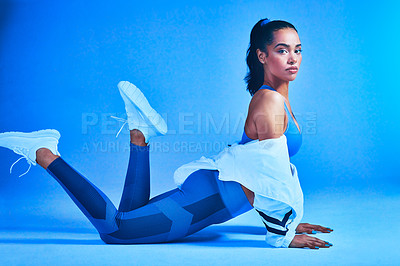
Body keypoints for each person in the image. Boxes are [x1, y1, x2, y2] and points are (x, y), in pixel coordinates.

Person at [0, 18, 333, 249]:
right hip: (210, 197)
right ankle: (45, 153)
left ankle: (139, 135)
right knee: (116, 232)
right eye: (282, 50)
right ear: (262, 56)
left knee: (127, 216)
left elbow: (265, 172)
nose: (293, 58)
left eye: (298, 49)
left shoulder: (276, 100)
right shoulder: (270, 101)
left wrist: (289, 222)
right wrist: (283, 234)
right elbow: (271, 172)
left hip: (213, 191)